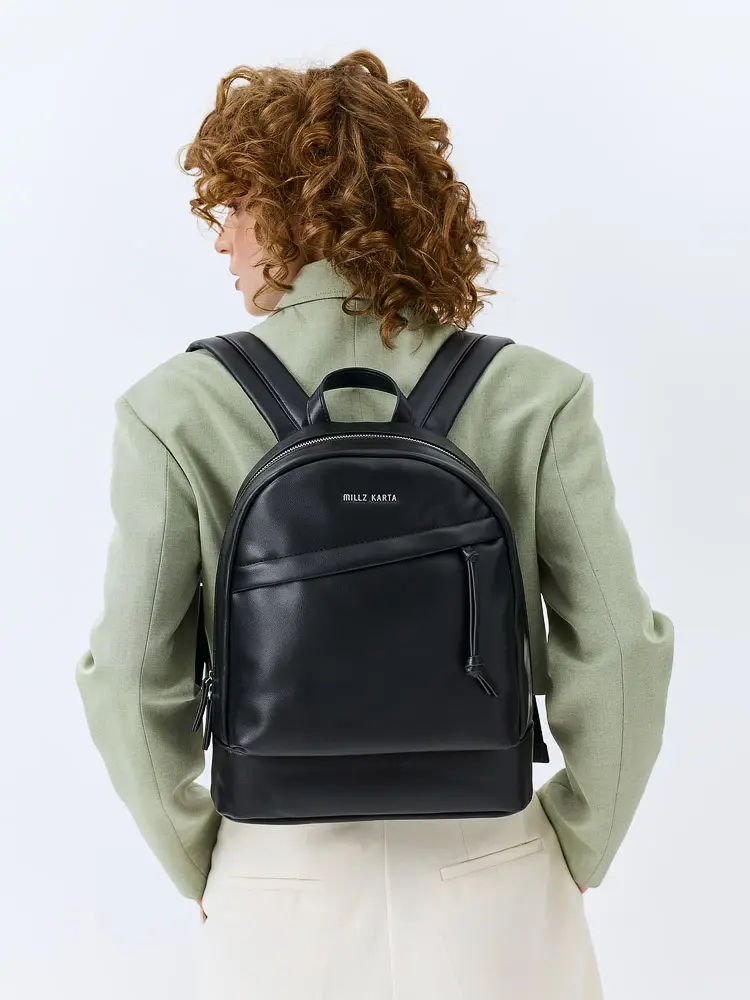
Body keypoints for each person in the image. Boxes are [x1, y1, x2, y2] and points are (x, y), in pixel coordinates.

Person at [75, 49, 674, 999]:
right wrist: (576, 840)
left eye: (235, 207)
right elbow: (619, 650)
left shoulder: (172, 407)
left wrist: (204, 855)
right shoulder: (536, 393)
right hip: (493, 866)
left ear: (290, 210)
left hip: (279, 877)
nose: (223, 243)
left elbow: (127, 675)